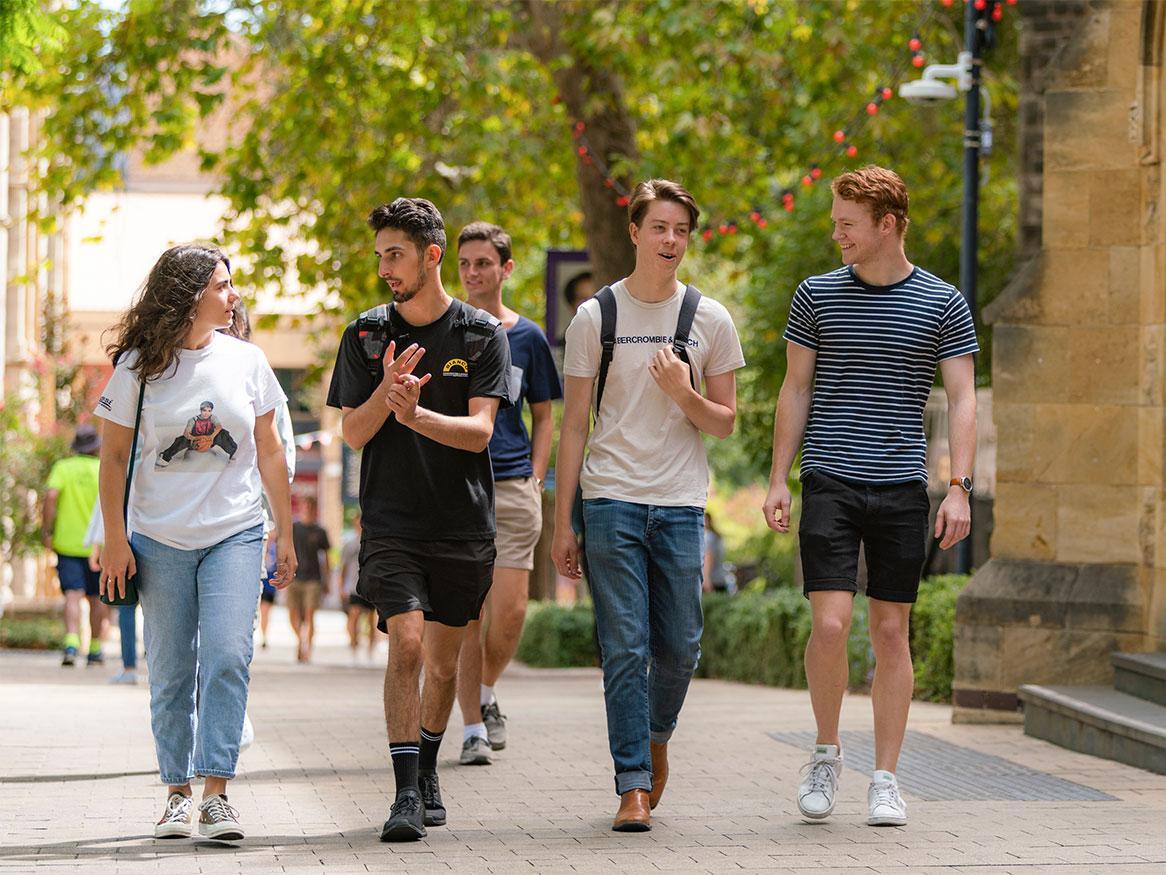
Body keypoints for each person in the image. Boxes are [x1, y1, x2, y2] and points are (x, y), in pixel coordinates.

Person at [762, 165, 978, 828]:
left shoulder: (943, 302)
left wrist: (959, 488)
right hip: (829, 475)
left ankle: (885, 776)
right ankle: (826, 752)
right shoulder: (816, 296)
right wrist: (778, 476)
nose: (837, 235)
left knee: (890, 631)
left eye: (847, 224)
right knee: (829, 624)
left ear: (887, 224)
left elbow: (963, 395)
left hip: (902, 485)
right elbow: (795, 388)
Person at [553, 179, 745, 832]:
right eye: (659, 227)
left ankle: (656, 734)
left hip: (681, 503)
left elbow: (723, 423)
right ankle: (632, 781)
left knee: (683, 644)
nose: (671, 240)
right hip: (610, 501)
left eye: (681, 231)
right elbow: (574, 424)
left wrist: (683, 392)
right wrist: (563, 523)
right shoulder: (595, 318)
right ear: (634, 232)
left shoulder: (710, 319)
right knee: (626, 645)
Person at [95, 243, 296, 842]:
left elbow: (270, 449)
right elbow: (110, 455)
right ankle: (177, 794)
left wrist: (283, 531)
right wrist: (114, 538)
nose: (233, 297)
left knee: (230, 657)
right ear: (190, 295)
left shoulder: (248, 361)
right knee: (173, 668)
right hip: (158, 538)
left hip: (235, 532)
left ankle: (217, 793)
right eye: (223, 286)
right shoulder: (137, 366)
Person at [326, 197, 511, 842]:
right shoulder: (365, 335)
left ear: (432, 256)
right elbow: (351, 432)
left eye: (395, 254)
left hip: (462, 525)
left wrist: (418, 416)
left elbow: (482, 433)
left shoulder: (482, 335)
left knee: (442, 662)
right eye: (379, 256)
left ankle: (427, 764)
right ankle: (405, 793)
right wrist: (387, 394)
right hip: (391, 522)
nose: (385, 268)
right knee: (405, 642)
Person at [454, 221, 562, 765]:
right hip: (457, 486)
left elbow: (544, 416)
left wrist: (538, 474)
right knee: (466, 615)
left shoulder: (528, 338)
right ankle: (473, 726)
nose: (473, 273)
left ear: (506, 268)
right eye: (465, 264)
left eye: (483, 263)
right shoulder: (447, 330)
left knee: (511, 612)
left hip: (515, 484)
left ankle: (486, 689)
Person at [43, 424, 108, 667]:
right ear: (96, 447)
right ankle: (95, 648)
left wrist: (47, 530)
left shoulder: (63, 468)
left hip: (67, 542)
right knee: (96, 597)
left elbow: (50, 496)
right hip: (97, 544)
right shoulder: (103, 468)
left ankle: (71, 643)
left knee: (72, 594)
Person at [289, 496, 330, 663]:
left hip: (313, 578)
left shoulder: (320, 531)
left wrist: (327, 580)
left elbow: (325, 556)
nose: (307, 510)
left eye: (310, 507)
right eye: (305, 506)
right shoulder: (293, 528)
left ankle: (308, 650)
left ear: (314, 509)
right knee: (293, 614)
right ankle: (301, 640)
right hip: (295, 577)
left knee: (309, 614)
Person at [340, 513, 378, 665]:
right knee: (354, 616)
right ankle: (354, 650)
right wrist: (341, 586)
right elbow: (343, 567)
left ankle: (370, 652)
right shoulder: (349, 544)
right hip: (353, 586)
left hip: (370, 585)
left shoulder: (373, 542)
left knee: (370, 619)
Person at [702, 512, 731, 594]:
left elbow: (708, 556)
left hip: (711, 581)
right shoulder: (716, 536)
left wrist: (706, 578)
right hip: (721, 578)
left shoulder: (708, 537)